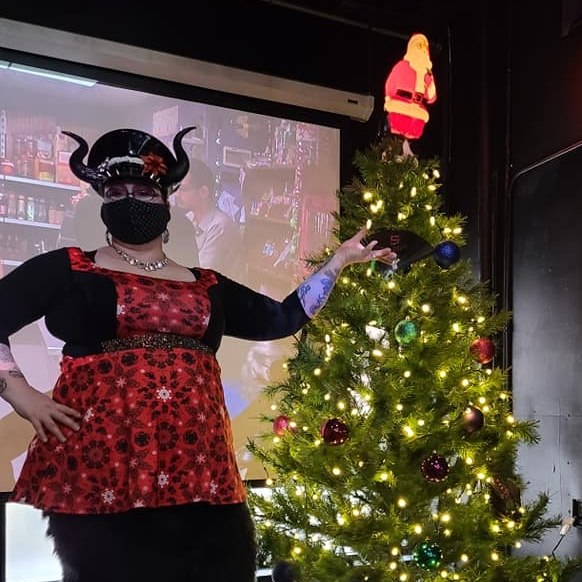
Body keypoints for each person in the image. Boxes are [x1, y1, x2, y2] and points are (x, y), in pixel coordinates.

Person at [0, 126, 397, 582]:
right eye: (117, 192)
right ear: (102, 203)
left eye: (144, 192)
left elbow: (283, 318)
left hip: (201, 470)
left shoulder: (207, 284)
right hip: (103, 467)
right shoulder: (70, 268)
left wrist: (339, 261)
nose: (131, 200)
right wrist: (23, 395)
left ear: (166, 202)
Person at [176, 157, 243, 280]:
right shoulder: (189, 218)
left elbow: (200, 274)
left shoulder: (221, 226)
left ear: (203, 192)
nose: (177, 194)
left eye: (183, 189)